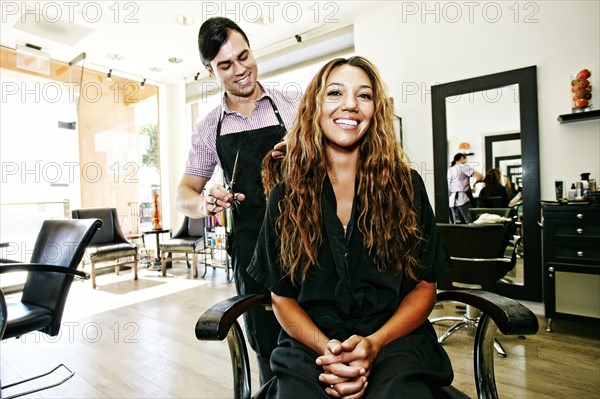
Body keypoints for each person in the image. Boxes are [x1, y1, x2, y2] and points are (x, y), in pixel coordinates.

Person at [248, 56, 453, 398]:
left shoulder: (407, 187)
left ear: (376, 111)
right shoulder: (285, 197)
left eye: (364, 95)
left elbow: (424, 287)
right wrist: (327, 349)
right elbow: (282, 297)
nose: (349, 105)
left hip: (393, 339)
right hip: (309, 343)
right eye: (335, 93)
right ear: (315, 106)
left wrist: (374, 344)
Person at [175, 17, 300, 384]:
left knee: (314, 341)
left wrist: (304, 156)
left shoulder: (293, 109)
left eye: (244, 56)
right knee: (266, 346)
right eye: (225, 65)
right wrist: (204, 205)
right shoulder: (209, 126)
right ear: (209, 70)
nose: (240, 70)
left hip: (304, 242)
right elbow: (184, 193)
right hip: (249, 252)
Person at [447, 153, 483, 223]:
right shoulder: (463, 167)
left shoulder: (450, 170)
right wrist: (475, 184)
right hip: (463, 199)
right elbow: (480, 176)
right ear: (462, 158)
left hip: (452, 200)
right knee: (469, 222)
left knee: (457, 224)